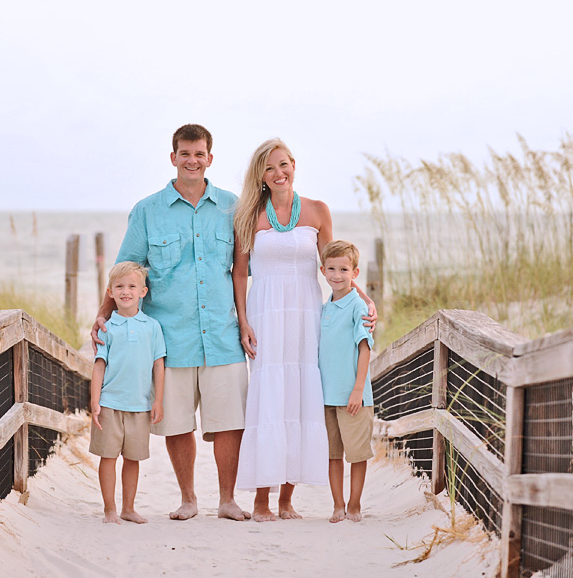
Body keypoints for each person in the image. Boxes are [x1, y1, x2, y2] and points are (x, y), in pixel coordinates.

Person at [90, 124, 250, 522]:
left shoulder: (233, 206)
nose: (192, 160)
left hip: (222, 333)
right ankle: (189, 498)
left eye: (199, 154)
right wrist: (102, 315)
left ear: (210, 158)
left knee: (229, 422)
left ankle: (227, 500)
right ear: (173, 156)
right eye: (185, 153)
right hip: (169, 337)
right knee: (178, 425)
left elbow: (245, 271)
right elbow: (125, 270)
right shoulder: (148, 210)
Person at [232, 138, 376, 522]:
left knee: (301, 397)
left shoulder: (317, 210)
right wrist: (243, 320)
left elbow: (335, 267)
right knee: (269, 398)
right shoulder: (249, 215)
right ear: (260, 176)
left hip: (307, 314)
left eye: (284, 164)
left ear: (294, 164)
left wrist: (364, 302)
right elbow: (239, 272)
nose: (279, 173)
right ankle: (262, 498)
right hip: (265, 313)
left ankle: (286, 500)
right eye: (269, 168)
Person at [90, 261, 166, 524]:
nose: (126, 291)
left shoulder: (152, 327)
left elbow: (159, 364)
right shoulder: (106, 327)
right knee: (108, 456)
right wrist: (95, 401)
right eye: (119, 286)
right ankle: (110, 509)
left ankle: (128, 508)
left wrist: (158, 400)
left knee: (133, 459)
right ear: (110, 292)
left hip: (140, 405)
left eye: (132, 286)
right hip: (110, 403)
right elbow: (99, 366)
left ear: (142, 292)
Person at [318, 241, 374, 523]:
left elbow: (364, 348)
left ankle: (354, 505)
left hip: (354, 397)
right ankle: (337, 505)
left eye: (343, 269)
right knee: (333, 455)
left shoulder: (358, 306)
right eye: (331, 269)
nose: (337, 275)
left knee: (357, 454)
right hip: (327, 396)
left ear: (355, 272)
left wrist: (357, 390)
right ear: (322, 270)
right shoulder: (324, 307)